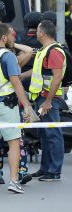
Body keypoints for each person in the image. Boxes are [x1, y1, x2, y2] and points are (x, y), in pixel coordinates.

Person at [0, 23, 35, 194]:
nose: (14, 38)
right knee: (14, 143)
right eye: (12, 35)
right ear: (4, 37)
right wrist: (26, 106)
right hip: (6, 103)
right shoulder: (7, 55)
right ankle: (14, 181)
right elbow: (16, 82)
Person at [28, 20, 66, 181]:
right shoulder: (45, 50)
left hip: (49, 99)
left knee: (53, 134)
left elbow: (57, 78)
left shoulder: (54, 51)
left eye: (37, 30)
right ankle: (45, 168)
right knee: (44, 134)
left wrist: (48, 101)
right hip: (41, 97)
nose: (36, 32)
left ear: (42, 33)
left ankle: (54, 171)